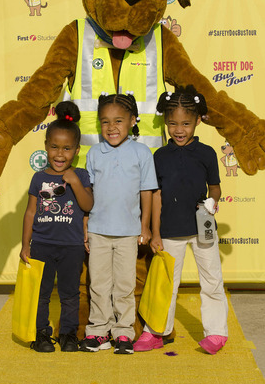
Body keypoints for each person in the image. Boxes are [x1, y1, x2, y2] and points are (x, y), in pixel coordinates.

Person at [134, 85, 228, 355]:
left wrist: (214, 200)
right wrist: (154, 232)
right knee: (165, 285)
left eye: (186, 123)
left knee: (212, 280)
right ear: (165, 122)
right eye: (173, 123)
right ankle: (155, 332)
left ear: (197, 121)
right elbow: (156, 195)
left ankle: (217, 333)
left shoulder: (208, 153)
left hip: (203, 230)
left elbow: (216, 186)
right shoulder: (160, 156)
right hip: (170, 231)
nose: (179, 129)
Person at [79, 92, 158, 355]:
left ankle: (123, 332)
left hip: (128, 232)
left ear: (133, 121)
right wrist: (86, 224)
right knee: (98, 284)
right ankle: (98, 331)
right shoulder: (94, 153)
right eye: (105, 122)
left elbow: (147, 191)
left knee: (124, 285)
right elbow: (88, 192)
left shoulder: (141, 153)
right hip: (99, 231)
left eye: (118, 121)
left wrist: (145, 226)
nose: (111, 127)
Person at [20, 101, 93, 353]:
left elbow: (88, 205)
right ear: (45, 147)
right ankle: (40, 334)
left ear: (76, 150)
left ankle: (68, 335)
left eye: (66, 148)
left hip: (71, 247)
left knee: (70, 294)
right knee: (41, 294)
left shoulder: (81, 175)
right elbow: (30, 212)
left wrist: (74, 182)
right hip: (42, 245)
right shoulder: (38, 178)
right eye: (54, 147)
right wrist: (25, 245)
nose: (60, 154)